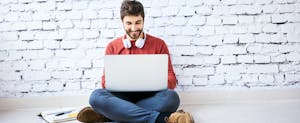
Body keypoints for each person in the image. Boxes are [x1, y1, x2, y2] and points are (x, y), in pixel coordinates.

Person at [77, 0, 180, 123]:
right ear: (122, 22)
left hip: (150, 97)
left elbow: (172, 79)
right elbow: (105, 83)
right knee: (96, 97)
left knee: (171, 98)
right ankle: (157, 119)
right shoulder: (113, 46)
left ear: (143, 21)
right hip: (121, 99)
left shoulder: (159, 44)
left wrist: (150, 80)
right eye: (129, 23)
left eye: (138, 22)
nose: (134, 28)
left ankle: (111, 116)